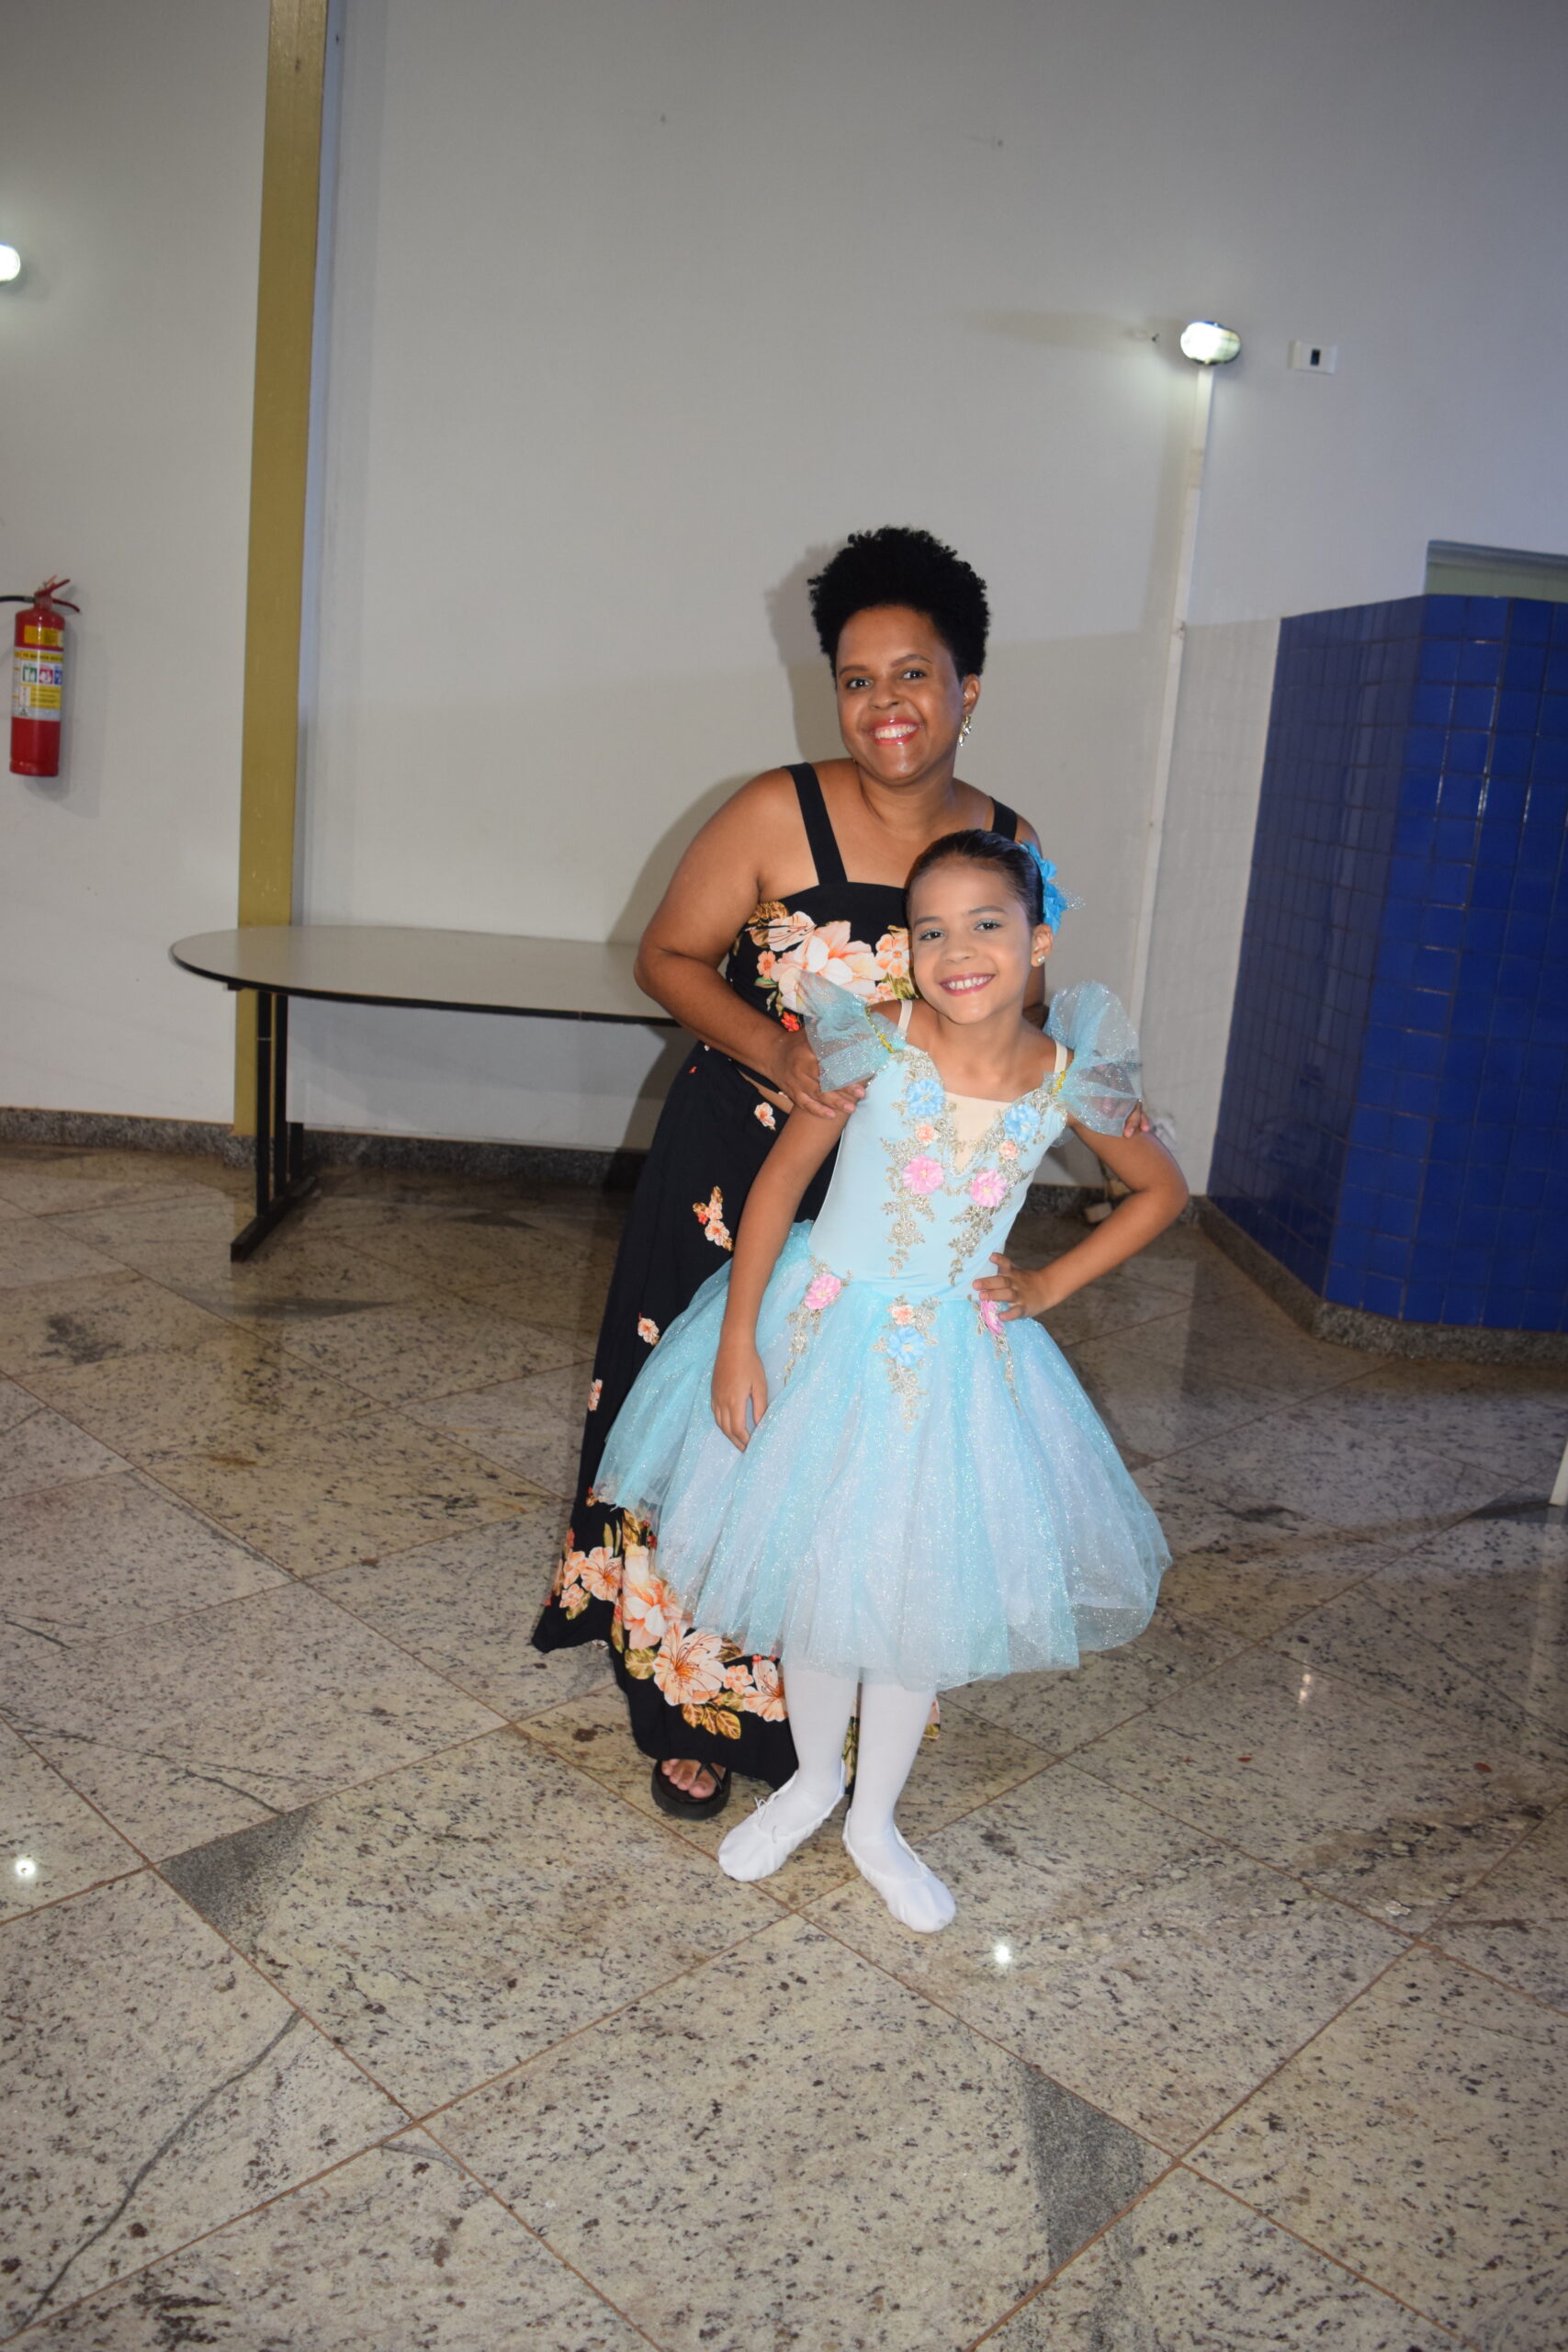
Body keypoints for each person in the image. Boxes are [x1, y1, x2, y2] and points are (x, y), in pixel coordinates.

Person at [533, 526, 1046, 1816]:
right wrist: (778, 1049)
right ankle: (693, 1703)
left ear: (968, 690)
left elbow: (1011, 1015)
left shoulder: (1008, 838)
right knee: (720, 1436)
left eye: (914, 674)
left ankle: (836, 1714)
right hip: (734, 1171)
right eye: (857, 679)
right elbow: (665, 957)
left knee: (864, 1462)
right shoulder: (774, 811)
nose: (885, 705)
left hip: (890, 1210)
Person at [591, 830, 1187, 1929]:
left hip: (952, 1368)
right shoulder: (870, 1038)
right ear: (906, 950)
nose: (958, 951)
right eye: (930, 930)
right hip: (818, 1332)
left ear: (1038, 941)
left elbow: (1160, 1190)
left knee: (911, 1592)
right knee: (820, 1572)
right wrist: (738, 1340)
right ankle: (814, 1779)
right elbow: (779, 1189)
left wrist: (1050, 1283)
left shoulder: (1066, 1077)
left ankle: (876, 1819)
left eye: (988, 924)